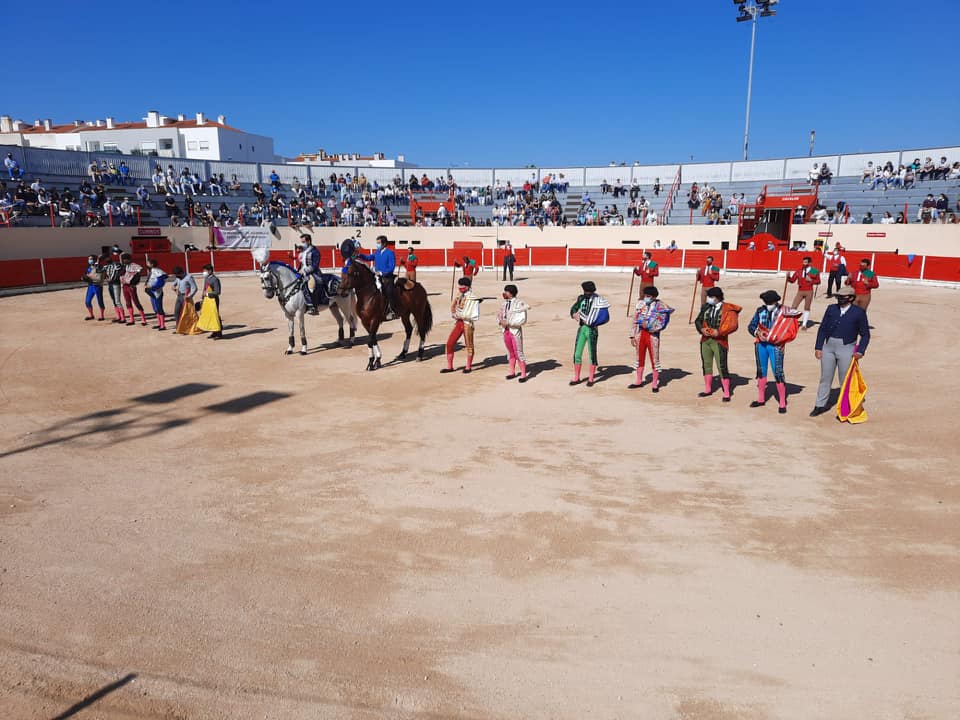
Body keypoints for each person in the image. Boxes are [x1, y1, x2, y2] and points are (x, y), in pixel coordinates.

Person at [811, 286, 870, 417]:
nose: (839, 299)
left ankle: (845, 408)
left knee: (845, 380)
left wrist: (860, 351)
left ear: (850, 298)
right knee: (825, 377)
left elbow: (865, 334)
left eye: (842, 297)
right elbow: (823, 329)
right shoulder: (831, 309)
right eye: (838, 297)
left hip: (847, 347)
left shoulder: (858, 312)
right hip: (829, 346)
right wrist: (818, 347)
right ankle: (819, 405)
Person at [748, 290, 799, 414]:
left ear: (776, 301)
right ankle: (761, 399)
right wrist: (757, 333)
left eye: (770, 302)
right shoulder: (760, 310)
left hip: (776, 346)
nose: (768, 304)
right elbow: (751, 326)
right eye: (766, 302)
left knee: (778, 372)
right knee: (761, 370)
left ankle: (782, 402)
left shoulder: (785, 312)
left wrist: (782, 341)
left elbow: (790, 330)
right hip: (761, 344)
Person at [694, 287, 741, 402]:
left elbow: (733, 325)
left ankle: (726, 392)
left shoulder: (728, 309)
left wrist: (719, 332)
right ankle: (708, 389)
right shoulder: (706, 307)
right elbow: (698, 321)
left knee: (722, 366)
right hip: (705, 340)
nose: (709, 299)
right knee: (706, 364)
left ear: (718, 298)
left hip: (720, 341)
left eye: (711, 297)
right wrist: (701, 330)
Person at [628, 285, 674, 393]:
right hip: (640, 335)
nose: (645, 298)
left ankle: (654, 384)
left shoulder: (660, 306)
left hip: (653, 336)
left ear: (653, 297)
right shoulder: (641, 305)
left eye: (648, 296)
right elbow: (634, 320)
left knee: (655, 360)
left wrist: (649, 326)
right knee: (639, 358)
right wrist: (632, 335)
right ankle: (638, 381)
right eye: (645, 295)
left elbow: (662, 323)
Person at [569, 280, 610, 387]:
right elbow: (574, 308)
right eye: (585, 291)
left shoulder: (598, 300)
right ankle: (577, 378)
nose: (587, 293)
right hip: (582, 328)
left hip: (592, 330)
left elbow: (603, 316)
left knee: (592, 354)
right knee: (577, 353)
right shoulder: (581, 298)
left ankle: (591, 379)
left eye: (589, 292)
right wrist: (574, 314)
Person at [442, 276, 481, 374]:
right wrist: (454, 314)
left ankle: (468, 367)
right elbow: (454, 306)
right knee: (449, 343)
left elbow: (475, 315)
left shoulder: (473, 298)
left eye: (462, 286)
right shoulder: (459, 295)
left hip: (467, 323)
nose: (460, 287)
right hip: (459, 323)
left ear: (467, 287)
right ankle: (449, 367)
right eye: (459, 285)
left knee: (469, 345)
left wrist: (461, 316)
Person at [357, 235, 398, 320]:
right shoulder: (377, 252)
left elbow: (391, 267)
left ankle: (392, 311)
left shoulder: (390, 253)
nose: (377, 245)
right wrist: (359, 255)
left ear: (384, 244)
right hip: (377, 276)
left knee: (389, 292)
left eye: (379, 243)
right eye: (377, 243)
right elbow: (368, 257)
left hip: (387, 277)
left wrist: (382, 273)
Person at [497, 284, 529, 382]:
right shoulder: (504, 304)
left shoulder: (519, 303)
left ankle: (523, 374)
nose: (504, 293)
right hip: (506, 330)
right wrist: (500, 321)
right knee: (510, 352)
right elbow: (499, 315)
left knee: (518, 352)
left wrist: (509, 323)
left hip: (514, 331)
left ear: (511, 293)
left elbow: (522, 320)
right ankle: (512, 372)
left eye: (506, 291)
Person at [787, 256, 821, 330]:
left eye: (806, 262)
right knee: (794, 306)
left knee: (807, 307)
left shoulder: (814, 271)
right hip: (800, 291)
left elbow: (818, 281)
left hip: (809, 291)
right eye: (803, 262)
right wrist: (788, 277)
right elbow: (792, 281)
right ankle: (791, 323)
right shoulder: (799, 270)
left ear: (810, 263)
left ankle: (804, 324)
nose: (804, 263)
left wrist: (811, 280)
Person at [297, 233, 325, 314]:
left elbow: (315, 266)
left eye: (303, 241)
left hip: (313, 273)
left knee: (311, 287)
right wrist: (299, 270)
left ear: (308, 241)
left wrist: (305, 271)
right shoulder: (304, 251)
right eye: (301, 242)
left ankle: (313, 307)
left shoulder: (315, 251)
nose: (302, 243)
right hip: (303, 272)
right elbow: (302, 263)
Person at [120, 253, 147, 326]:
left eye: (125, 259)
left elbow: (141, 270)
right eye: (123, 259)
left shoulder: (134, 265)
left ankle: (143, 319)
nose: (124, 260)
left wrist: (134, 275)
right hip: (124, 286)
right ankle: (132, 319)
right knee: (128, 302)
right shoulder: (123, 267)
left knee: (136, 302)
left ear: (129, 259)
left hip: (131, 286)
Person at [198, 264, 223, 339]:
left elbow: (217, 292)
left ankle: (219, 333)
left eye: (205, 271)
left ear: (210, 271)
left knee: (215, 315)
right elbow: (204, 288)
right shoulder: (206, 278)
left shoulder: (215, 279)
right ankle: (214, 332)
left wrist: (207, 294)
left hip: (213, 300)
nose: (204, 272)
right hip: (207, 300)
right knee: (210, 316)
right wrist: (203, 297)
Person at [171, 265, 198, 332]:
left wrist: (189, 296)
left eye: (177, 275)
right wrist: (174, 289)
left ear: (181, 273)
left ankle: (187, 328)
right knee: (176, 312)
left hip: (186, 297)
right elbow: (173, 284)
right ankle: (179, 328)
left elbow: (194, 288)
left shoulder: (189, 277)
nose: (176, 276)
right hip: (179, 296)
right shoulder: (178, 278)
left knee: (186, 313)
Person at [144, 257, 168, 330]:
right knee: (155, 308)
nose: (146, 264)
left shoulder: (157, 271)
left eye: (148, 263)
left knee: (159, 308)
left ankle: (163, 325)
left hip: (157, 292)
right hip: (152, 292)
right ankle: (159, 324)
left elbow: (163, 279)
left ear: (152, 264)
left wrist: (153, 287)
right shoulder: (152, 271)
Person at [103, 250, 126, 323]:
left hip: (116, 284)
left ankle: (123, 318)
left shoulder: (117, 264)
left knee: (117, 301)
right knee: (114, 301)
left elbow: (122, 268)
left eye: (107, 258)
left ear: (110, 257)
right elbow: (99, 271)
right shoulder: (105, 266)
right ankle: (118, 316)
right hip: (110, 284)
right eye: (105, 258)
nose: (106, 259)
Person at [82, 254, 105, 321]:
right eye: (89, 259)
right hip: (91, 286)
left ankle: (102, 316)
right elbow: (86, 275)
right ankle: (91, 315)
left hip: (98, 286)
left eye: (91, 259)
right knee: (87, 301)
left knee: (100, 301)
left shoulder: (99, 267)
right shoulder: (89, 268)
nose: (89, 260)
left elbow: (100, 276)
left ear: (95, 260)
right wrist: (84, 278)